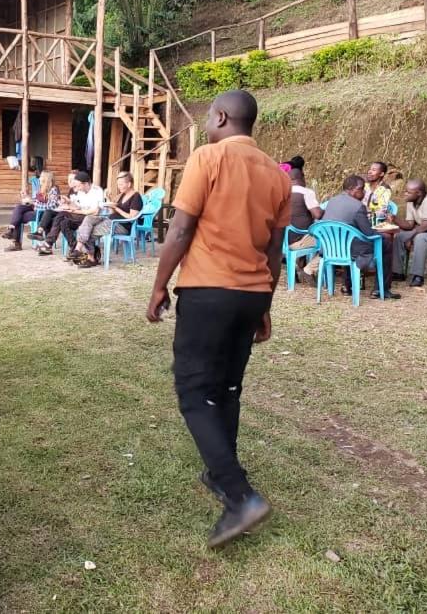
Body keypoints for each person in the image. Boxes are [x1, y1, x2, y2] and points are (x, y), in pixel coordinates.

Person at [146, 89, 290, 549]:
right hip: (250, 295)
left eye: (209, 117)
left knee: (193, 390)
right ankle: (218, 472)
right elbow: (273, 249)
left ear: (222, 116)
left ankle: (240, 495)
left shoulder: (208, 158)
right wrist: (264, 302)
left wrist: (158, 285)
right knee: (226, 387)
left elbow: (181, 227)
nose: (207, 124)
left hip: (209, 291)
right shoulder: (277, 173)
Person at [322, 175, 400, 299]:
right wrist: (382, 232)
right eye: (361, 189)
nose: (364, 192)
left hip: (330, 248)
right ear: (352, 189)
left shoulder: (332, 201)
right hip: (350, 248)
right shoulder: (358, 206)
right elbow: (368, 233)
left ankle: (347, 286)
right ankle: (381, 290)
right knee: (385, 242)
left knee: (350, 240)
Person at [72, 171, 143, 268]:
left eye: (121, 184)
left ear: (129, 184)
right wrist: (109, 203)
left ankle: (90, 257)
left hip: (121, 226)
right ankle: (78, 249)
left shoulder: (136, 197)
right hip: (110, 220)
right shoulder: (122, 195)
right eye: (118, 184)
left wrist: (117, 208)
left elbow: (131, 217)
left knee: (87, 231)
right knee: (88, 219)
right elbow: (112, 213)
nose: (119, 186)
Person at [389, 178, 427, 288]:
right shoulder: (411, 202)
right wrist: (394, 219)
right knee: (399, 236)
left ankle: (418, 276)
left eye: (408, 192)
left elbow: (425, 227)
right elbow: (409, 225)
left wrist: (411, 238)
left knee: (420, 238)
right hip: (424, 230)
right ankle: (397, 272)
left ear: (418, 193)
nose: (405, 193)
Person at [36, 171, 103, 258]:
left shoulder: (97, 191)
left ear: (86, 184)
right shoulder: (81, 191)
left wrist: (77, 211)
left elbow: (95, 211)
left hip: (92, 218)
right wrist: (69, 202)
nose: (77, 188)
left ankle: (49, 242)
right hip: (80, 215)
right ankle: (74, 248)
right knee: (63, 223)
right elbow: (78, 206)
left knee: (62, 214)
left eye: (78, 185)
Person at [3, 170, 60, 251]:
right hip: (36, 209)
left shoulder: (53, 189)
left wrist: (34, 203)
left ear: (45, 179)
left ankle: (15, 240)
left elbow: (52, 205)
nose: (39, 179)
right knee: (19, 207)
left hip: (43, 214)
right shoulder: (42, 189)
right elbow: (37, 202)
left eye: (41, 177)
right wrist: (29, 199)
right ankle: (11, 229)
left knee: (20, 216)